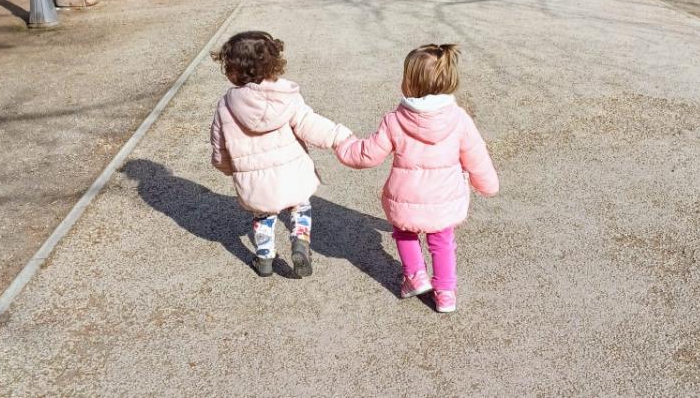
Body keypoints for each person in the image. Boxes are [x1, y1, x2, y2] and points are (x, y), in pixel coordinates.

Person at [335, 44, 499, 313]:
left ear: (409, 82)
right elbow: (476, 155)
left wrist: (343, 144)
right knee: (442, 239)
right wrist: (488, 185)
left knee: (405, 232)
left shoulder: (395, 120)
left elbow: (368, 155)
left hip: (406, 196)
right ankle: (446, 292)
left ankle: (415, 276)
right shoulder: (458, 119)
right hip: (444, 197)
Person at [210, 31, 351, 278]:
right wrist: (339, 137)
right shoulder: (286, 97)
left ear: (232, 70)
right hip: (292, 173)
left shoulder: (226, 106)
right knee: (300, 205)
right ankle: (300, 241)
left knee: (263, 214)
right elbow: (309, 123)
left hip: (256, 180)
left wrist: (227, 167)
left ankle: (264, 257)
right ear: (273, 63)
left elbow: (220, 145)